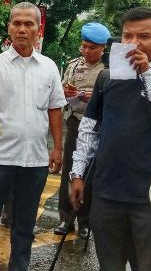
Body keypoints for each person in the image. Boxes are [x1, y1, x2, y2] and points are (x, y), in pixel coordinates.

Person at [70, 7, 151, 270]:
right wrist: (78, 174)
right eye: (127, 36)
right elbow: (89, 129)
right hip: (108, 192)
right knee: (109, 264)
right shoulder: (107, 77)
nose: (134, 43)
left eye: (144, 36)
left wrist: (148, 74)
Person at [0, 2, 67, 271]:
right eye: (17, 23)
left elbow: (55, 109)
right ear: (9, 27)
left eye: (29, 24)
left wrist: (57, 148)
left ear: (39, 29)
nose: (22, 29)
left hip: (35, 161)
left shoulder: (49, 68)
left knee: (25, 227)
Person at [54, 22, 110, 238]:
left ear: (102, 48)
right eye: (84, 46)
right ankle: (65, 219)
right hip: (76, 122)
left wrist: (93, 98)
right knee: (70, 170)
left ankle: (85, 222)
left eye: (92, 48)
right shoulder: (74, 66)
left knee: (91, 174)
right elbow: (61, 91)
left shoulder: (107, 71)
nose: (86, 51)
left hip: (99, 126)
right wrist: (68, 92)